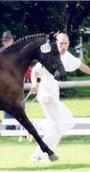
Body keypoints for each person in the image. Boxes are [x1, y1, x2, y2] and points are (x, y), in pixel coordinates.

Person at [30, 32, 90, 162]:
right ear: (56, 43)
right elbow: (35, 71)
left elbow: (80, 64)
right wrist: (35, 84)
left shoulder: (67, 56)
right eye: (61, 43)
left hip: (53, 96)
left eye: (66, 43)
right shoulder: (48, 54)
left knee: (57, 128)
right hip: (46, 95)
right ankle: (41, 153)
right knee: (65, 124)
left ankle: (40, 152)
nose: (63, 46)